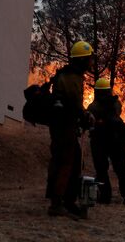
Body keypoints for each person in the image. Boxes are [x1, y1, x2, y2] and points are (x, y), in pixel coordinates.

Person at [46, 41, 93, 219]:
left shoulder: (69, 75)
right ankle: (57, 204)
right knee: (66, 163)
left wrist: (83, 114)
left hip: (62, 125)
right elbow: (72, 104)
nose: (91, 63)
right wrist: (84, 116)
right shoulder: (72, 78)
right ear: (81, 60)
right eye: (89, 59)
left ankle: (66, 201)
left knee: (71, 163)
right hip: (64, 126)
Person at [87, 78, 125, 205]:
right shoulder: (116, 104)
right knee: (121, 169)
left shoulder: (93, 107)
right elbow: (118, 114)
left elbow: (89, 120)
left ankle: (104, 197)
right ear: (109, 90)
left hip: (99, 141)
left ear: (96, 91)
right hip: (116, 140)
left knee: (101, 170)